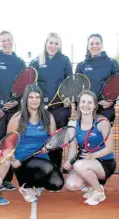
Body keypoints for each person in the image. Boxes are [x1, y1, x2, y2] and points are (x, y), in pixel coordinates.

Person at [7, 84, 64, 203]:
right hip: (22, 160)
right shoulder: (17, 118)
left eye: (37, 97)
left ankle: (34, 185)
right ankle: (27, 187)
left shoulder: (48, 117)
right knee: (48, 168)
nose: (34, 100)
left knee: (57, 184)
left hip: (42, 157)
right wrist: (12, 160)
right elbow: (8, 143)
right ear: (25, 99)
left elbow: (53, 141)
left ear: (41, 99)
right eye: (31, 97)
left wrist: (48, 147)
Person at [0, 30, 26, 191]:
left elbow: (24, 87)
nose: (7, 43)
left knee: (11, 145)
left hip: (14, 112)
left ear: (13, 41)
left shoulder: (20, 62)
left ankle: (7, 179)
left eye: (9, 40)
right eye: (3, 41)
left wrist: (16, 102)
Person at [63, 90, 116, 206]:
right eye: (83, 102)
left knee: (79, 165)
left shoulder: (102, 122)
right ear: (78, 104)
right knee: (72, 185)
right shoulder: (73, 124)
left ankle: (99, 191)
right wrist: (69, 161)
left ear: (95, 106)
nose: (85, 105)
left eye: (89, 102)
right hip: (86, 161)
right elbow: (73, 149)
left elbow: (109, 148)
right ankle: (91, 186)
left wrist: (93, 156)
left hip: (104, 162)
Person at [29, 32, 73, 169]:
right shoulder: (37, 61)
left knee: (57, 140)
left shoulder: (64, 60)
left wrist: (68, 98)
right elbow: (31, 85)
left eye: (56, 43)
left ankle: (55, 170)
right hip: (41, 108)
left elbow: (70, 83)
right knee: (41, 138)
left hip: (60, 108)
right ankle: (42, 169)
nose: (53, 46)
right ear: (46, 44)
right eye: (50, 43)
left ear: (59, 45)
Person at [75, 33, 119, 125]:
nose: (94, 46)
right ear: (88, 46)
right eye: (91, 44)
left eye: (97, 43)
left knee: (103, 137)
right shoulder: (81, 65)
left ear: (102, 45)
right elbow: (77, 88)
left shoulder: (112, 63)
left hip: (105, 109)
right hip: (86, 109)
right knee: (86, 138)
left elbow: (117, 85)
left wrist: (111, 101)